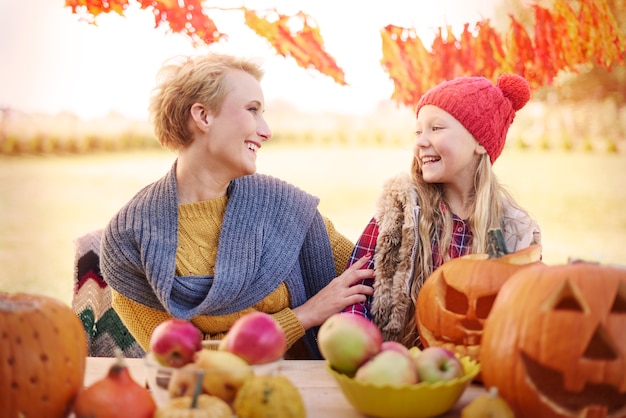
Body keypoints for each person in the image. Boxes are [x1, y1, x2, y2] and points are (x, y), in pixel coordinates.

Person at [99, 52, 374, 359]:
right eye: (252, 110)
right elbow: (185, 358)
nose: (266, 130)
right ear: (203, 116)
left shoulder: (283, 207)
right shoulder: (131, 242)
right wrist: (305, 315)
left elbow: (371, 272)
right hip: (212, 400)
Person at [342, 74, 542, 347]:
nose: (421, 142)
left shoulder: (513, 229)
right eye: (418, 131)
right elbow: (353, 295)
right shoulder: (399, 212)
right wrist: (365, 348)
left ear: (480, 142)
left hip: (478, 373)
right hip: (397, 369)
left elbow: (531, 314)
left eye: (436, 128)